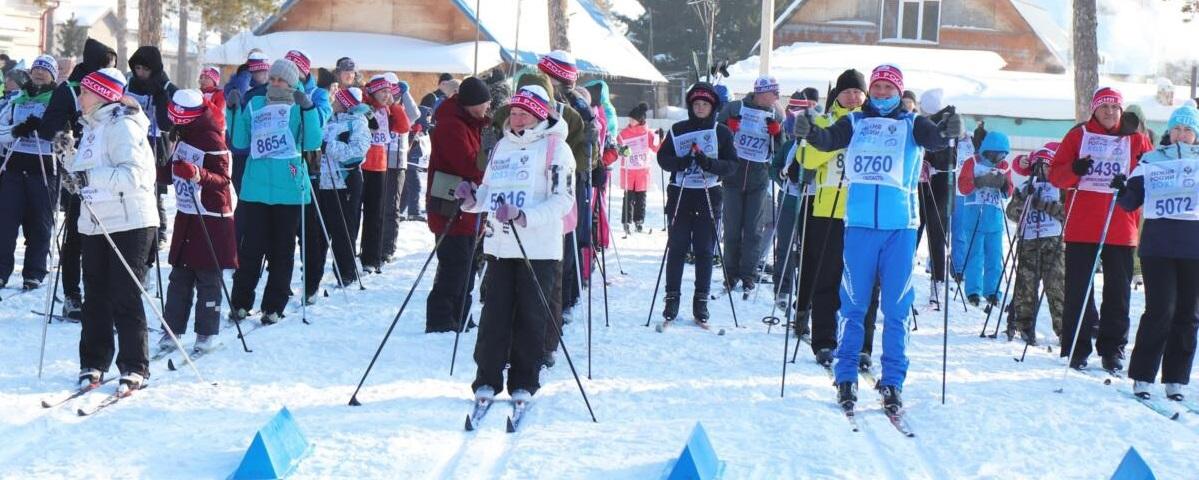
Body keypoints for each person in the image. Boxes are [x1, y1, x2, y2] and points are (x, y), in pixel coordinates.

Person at [793, 64, 961, 412]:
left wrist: (946, 131)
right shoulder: (854, 122)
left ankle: (894, 380)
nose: (882, 93)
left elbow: (934, 139)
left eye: (889, 87)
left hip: (900, 228)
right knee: (853, 305)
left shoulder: (912, 123)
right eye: (878, 87)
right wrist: (809, 131)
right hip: (858, 227)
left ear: (899, 91)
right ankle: (846, 375)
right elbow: (828, 140)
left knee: (895, 308)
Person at [453, 85, 575, 405]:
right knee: (494, 314)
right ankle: (486, 379)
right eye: (513, 112)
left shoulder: (557, 149)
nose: (517, 119)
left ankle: (524, 379)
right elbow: (489, 192)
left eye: (524, 113)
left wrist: (525, 216)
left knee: (531, 316)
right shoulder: (502, 147)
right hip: (500, 245)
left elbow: (563, 200)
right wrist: (470, 201)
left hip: (539, 249)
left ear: (538, 115)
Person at [66, 67, 159, 394]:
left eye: (85, 91)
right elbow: (88, 172)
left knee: (124, 293)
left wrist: (90, 179)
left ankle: (135, 366)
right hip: (95, 221)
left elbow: (136, 176)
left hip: (129, 220)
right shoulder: (92, 127)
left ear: (103, 94)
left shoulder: (124, 125)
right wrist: (68, 166)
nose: (80, 97)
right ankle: (93, 362)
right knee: (94, 295)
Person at [1048, 87, 1153, 371]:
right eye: (1104, 107)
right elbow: (1056, 175)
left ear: (1121, 111)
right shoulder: (1078, 136)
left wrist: (1129, 185)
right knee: (1079, 290)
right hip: (1083, 226)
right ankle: (1076, 348)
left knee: (1118, 292)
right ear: (1094, 109)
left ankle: (1112, 349)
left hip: (1120, 225)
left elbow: (1150, 179)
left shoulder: (1137, 140)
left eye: (1114, 107)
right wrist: (1075, 169)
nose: (1109, 112)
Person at [228, 59, 322, 325]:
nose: (276, 84)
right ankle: (241, 302)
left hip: (289, 189)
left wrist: (310, 110)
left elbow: (312, 142)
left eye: (281, 80)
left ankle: (273, 305)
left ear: (292, 83)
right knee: (251, 249)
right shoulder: (256, 104)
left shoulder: (298, 106)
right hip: (256, 187)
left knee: (282, 250)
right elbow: (239, 140)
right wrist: (233, 110)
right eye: (273, 79)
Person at [1117, 101, 1199, 400]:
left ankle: (1176, 379)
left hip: (1194, 248)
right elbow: (1129, 202)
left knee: (1188, 314)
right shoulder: (1151, 160)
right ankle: (1143, 376)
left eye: (1188, 129)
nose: (1181, 134)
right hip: (1158, 246)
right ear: (1169, 131)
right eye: (1176, 128)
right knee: (1160, 309)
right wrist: (1121, 188)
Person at [36, 38, 118, 320]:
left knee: (106, 234)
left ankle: (102, 294)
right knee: (77, 235)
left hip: (107, 170)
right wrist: (68, 137)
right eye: (105, 64)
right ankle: (72, 295)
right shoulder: (70, 90)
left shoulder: (111, 88)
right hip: (78, 170)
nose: (108, 69)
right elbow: (49, 128)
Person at [157, 90, 237, 353]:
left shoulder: (212, 136)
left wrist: (197, 174)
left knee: (207, 277)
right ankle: (171, 330)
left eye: (181, 120)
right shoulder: (182, 132)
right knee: (180, 274)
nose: (176, 124)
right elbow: (173, 171)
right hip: (187, 212)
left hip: (211, 217)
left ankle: (205, 333)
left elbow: (224, 179)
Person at [656, 82, 738, 324]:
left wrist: (709, 163)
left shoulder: (721, 131)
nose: (700, 108)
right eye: (696, 104)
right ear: (691, 106)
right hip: (681, 193)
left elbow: (732, 165)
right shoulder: (678, 129)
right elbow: (663, 157)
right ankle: (672, 297)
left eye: (705, 104)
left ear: (712, 107)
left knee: (704, 249)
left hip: (708, 194)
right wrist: (681, 162)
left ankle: (701, 300)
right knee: (677, 247)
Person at [424, 76, 491, 333]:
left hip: (467, 208)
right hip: (450, 206)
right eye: (483, 105)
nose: (487, 109)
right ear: (470, 104)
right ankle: (441, 319)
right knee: (454, 265)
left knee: (467, 264)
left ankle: (461, 314)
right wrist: (490, 160)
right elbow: (468, 163)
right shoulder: (452, 125)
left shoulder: (471, 122)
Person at [717, 75, 785, 293]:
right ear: (760, 93)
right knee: (733, 228)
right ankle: (730, 273)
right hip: (733, 176)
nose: (776, 97)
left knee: (754, 230)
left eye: (777, 93)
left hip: (758, 177)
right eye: (773, 93)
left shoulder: (777, 112)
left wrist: (778, 133)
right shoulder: (734, 107)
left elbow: (780, 149)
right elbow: (716, 134)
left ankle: (748, 274)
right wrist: (728, 127)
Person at [304, 87, 370, 302]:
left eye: (337, 99)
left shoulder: (358, 123)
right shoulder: (328, 120)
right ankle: (312, 277)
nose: (333, 101)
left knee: (343, 229)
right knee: (318, 232)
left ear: (344, 102)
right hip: (322, 181)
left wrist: (327, 145)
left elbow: (356, 154)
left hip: (345, 182)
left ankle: (346, 271)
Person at [0, 54, 58, 291]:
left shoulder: (56, 101)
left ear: (53, 76)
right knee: (5, 223)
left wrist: (45, 129)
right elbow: (1, 132)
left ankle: (34, 272)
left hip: (43, 170)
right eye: (36, 68)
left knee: (39, 225)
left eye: (45, 70)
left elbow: (64, 135)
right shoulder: (16, 100)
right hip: (14, 169)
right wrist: (18, 131)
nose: (39, 73)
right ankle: (2, 270)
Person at [1006, 142, 1066, 345]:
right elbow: (1012, 213)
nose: (1048, 171)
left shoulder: (1060, 188)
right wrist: (1024, 199)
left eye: (1051, 166)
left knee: (1057, 286)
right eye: (1045, 167)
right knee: (1026, 286)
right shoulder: (1025, 186)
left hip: (1053, 243)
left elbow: (1068, 213)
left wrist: (1044, 205)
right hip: (1028, 242)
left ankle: (1063, 328)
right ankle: (1024, 326)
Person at [126, 46, 178, 248]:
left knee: (154, 187)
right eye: (137, 68)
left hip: (155, 141)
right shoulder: (128, 83)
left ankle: (159, 230)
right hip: (131, 138)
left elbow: (169, 121)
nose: (141, 73)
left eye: (145, 69)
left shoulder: (165, 86)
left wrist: (162, 95)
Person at [957, 131, 1014, 307]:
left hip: (994, 219)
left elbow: (1009, 191)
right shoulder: (972, 162)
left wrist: (1004, 184)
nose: (999, 158)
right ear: (988, 151)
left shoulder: (1004, 166)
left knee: (995, 256)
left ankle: (993, 291)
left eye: (1003, 154)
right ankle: (973, 290)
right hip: (974, 218)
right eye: (996, 154)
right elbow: (963, 186)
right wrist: (979, 181)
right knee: (974, 255)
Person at [917, 89, 954, 305]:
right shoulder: (921, 123)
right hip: (918, 186)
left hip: (940, 188)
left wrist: (933, 162)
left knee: (937, 237)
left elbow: (953, 160)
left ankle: (938, 283)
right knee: (912, 233)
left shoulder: (951, 125)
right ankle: (902, 279)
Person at [359, 75, 397, 273]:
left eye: (389, 91)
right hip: (362, 166)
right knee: (355, 215)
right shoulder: (365, 107)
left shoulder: (388, 109)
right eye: (383, 91)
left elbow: (404, 125)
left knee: (376, 216)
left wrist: (395, 105)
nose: (386, 95)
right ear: (373, 91)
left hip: (380, 167)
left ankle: (371, 258)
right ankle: (348, 259)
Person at [380, 73, 418, 263]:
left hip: (397, 161)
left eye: (393, 88)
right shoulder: (381, 103)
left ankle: (388, 247)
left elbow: (414, 116)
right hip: (380, 159)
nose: (390, 93)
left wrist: (406, 92)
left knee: (391, 207)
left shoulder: (402, 103)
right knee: (378, 205)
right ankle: (376, 244)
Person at [617, 102, 659, 234]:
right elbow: (617, 147)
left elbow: (656, 147)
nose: (630, 121)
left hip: (642, 170)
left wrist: (659, 138)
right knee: (628, 197)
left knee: (641, 197)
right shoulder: (624, 133)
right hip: (629, 169)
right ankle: (626, 221)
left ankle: (639, 221)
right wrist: (622, 151)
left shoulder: (647, 133)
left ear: (640, 120)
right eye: (629, 119)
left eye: (632, 119)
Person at [400, 105, 433, 221]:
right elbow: (410, 147)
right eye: (427, 118)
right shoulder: (414, 130)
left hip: (415, 164)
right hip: (410, 164)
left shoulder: (424, 131)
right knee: (415, 187)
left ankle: (399, 211)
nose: (429, 120)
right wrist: (415, 135)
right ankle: (413, 211)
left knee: (407, 189)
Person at [198, 67, 226, 133]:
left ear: (214, 81)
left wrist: (203, 100)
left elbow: (219, 116)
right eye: (201, 78)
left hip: (215, 132)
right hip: (200, 130)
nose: (203, 80)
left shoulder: (220, 94)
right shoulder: (198, 93)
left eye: (206, 78)